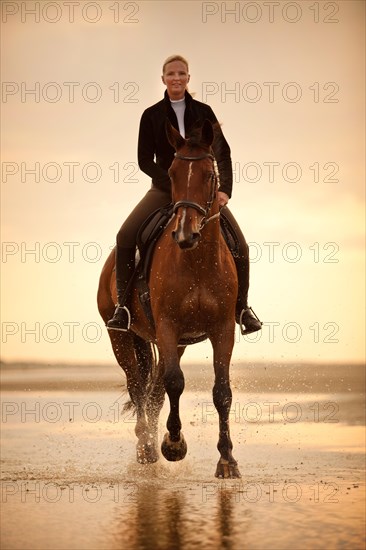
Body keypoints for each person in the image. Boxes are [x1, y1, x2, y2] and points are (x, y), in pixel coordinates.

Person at [107, 54, 261, 334]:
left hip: (202, 194)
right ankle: (124, 309)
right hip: (165, 189)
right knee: (125, 235)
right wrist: (172, 182)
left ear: (188, 78)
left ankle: (242, 308)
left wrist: (224, 189)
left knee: (241, 244)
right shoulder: (151, 115)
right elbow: (144, 160)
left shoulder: (204, 111)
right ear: (163, 79)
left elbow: (222, 152)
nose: (176, 78)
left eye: (181, 73)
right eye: (171, 74)